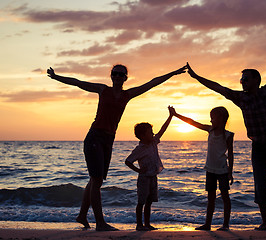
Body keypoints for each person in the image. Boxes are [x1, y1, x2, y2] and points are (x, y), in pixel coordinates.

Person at [47, 65, 186, 231]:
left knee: (94, 179)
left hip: (109, 139)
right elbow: (78, 83)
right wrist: (56, 77)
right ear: (111, 76)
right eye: (115, 73)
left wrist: (173, 72)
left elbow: (152, 83)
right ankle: (100, 223)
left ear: (125, 78)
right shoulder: (102, 89)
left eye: (122, 74)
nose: (118, 76)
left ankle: (82, 215)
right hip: (95, 136)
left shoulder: (127, 95)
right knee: (96, 180)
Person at [186, 34, 266, 230]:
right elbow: (218, 87)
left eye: (245, 78)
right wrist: (196, 77)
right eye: (241, 79)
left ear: (256, 79)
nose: (242, 82)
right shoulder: (241, 98)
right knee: (260, 184)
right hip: (258, 146)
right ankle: (265, 223)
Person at [169, 106, 234, 231]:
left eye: (213, 118)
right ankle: (207, 224)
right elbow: (193, 122)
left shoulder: (228, 135)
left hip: (222, 170)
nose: (211, 121)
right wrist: (176, 115)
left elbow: (231, 155)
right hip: (210, 170)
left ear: (221, 119)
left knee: (225, 196)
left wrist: (230, 172)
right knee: (211, 198)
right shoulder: (209, 130)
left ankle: (226, 225)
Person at [125, 106, 174, 231]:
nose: (153, 134)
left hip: (153, 176)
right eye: (150, 132)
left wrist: (170, 116)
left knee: (149, 201)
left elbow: (163, 130)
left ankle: (147, 224)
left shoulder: (153, 142)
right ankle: (139, 225)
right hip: (144, 178)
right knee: (141, 202)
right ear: (142, 135)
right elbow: (128, 161)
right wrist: (138, 170)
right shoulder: (139, 149)